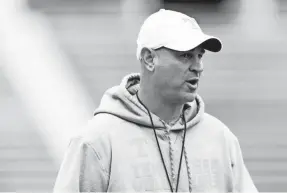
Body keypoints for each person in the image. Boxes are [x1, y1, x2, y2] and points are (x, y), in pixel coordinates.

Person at [53, 9, 258, 193]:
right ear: (149, 59)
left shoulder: (220, 139)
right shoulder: (97, 141)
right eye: (185, 55)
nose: (198, 66)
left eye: (200, 56)